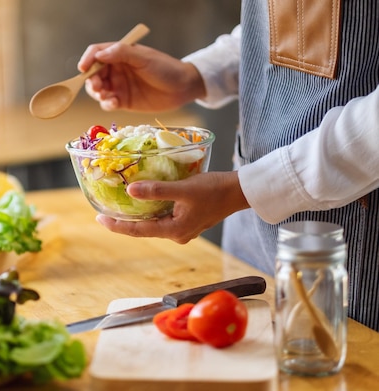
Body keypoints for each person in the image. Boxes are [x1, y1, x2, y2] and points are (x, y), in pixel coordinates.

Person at [77, 1, 379, 332]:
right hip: (248, 227)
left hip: (351, 244)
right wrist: (195, 76)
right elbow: (277, 20)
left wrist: (244, 189)